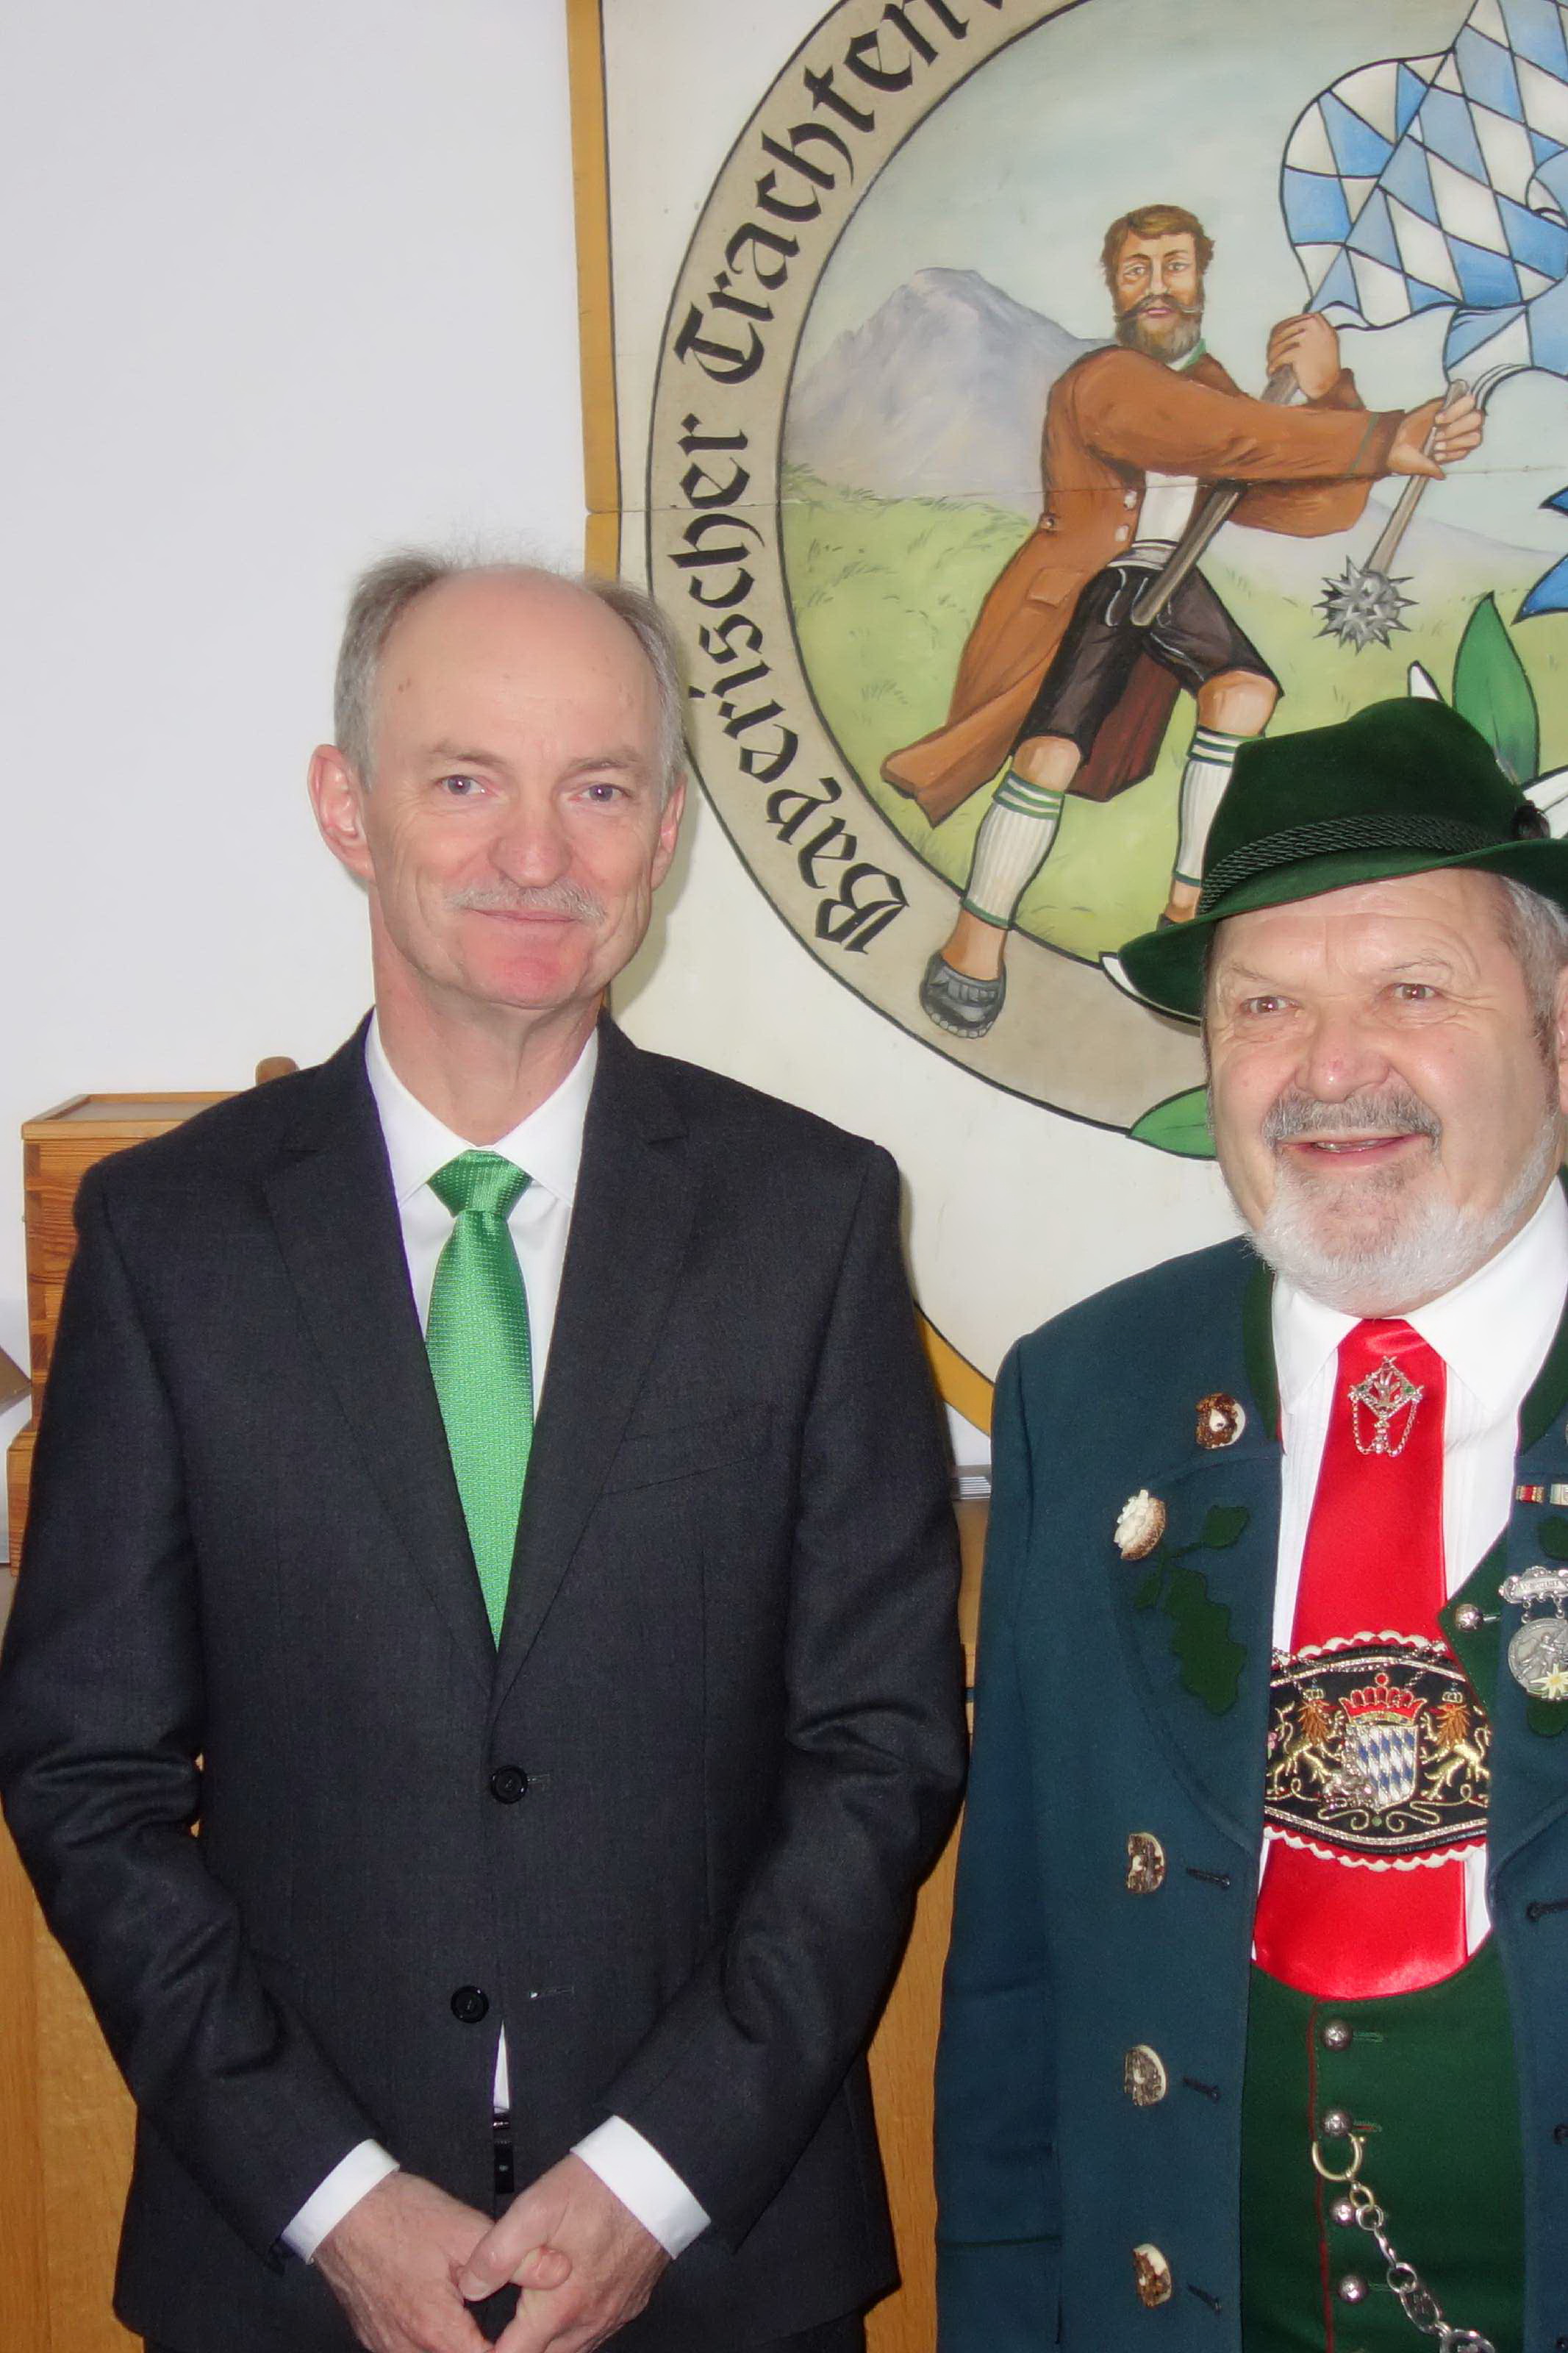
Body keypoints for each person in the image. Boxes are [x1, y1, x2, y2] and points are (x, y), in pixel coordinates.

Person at [0, 555, 966, 2353]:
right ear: (344, 807)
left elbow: (878, 1749)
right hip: (287, 2275)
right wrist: (334, 2198)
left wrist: (654, 2178)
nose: (537, 853)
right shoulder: (166, 1237)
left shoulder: (810, 1220)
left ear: (663, 834)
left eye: (596, 789)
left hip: (719, 2269)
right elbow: (86, 1774)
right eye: (464, 779)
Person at [934, 696, 1568, 2348]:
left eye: (1411, 990)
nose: (1329, 1069)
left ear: (1558, 1028)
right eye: (1264, 1004)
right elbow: (1015, 1998)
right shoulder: (1085, 1398)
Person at [881, 204, 1483, 1040]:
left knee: (1243, 693)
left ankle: (1188, 916)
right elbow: (1221, 437)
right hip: (1092, 583)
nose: (1158, 286)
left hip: (1172, 577)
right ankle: (974, 946)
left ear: (1200, 278)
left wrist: (1330, 391)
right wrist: (1377, 435)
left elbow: (1306, 505)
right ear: (1115, 289)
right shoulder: (1109, 380)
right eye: (1138, 270)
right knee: (1049, 753)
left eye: (1174, 266)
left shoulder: (1221, 393)